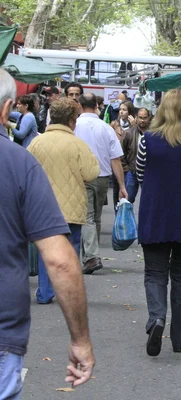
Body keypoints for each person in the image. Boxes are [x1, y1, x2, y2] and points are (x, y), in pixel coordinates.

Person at [0, 69, 95, 397]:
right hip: (2, 329)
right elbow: (61, 262)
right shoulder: (17, 163)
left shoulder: (35, 146)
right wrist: (80, 339)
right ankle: (45, 292)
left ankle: (43, 291)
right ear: (6, 108)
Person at [135, 88, 181, 357]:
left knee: (154, 273)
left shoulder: (148, 140)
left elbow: (140, 173)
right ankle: (180, 338)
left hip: (156, 214)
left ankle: (156, 318)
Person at [27, 98, 100, 304]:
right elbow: (92, 172)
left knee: (45, 251)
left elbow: (26, 172)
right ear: (71, 121)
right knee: (70, 250)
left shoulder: (36, 143)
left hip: (43, 207)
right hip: (72, 207)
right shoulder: (77, 144)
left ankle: (45, 291)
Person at [75, 93, 128, 274]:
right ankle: (91, 254)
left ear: (80, 106)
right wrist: (121, 185)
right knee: (95, 217)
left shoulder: (74, 125)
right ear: (96, 106)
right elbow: (116, 159)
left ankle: (91, 256)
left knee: (87, 217)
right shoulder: (106, 128)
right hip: (103, 177)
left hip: (82, 176)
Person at [121, 107, 151, 204]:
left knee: (148, 200)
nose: (142, 120)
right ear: (136, 118)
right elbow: (121, 153)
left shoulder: (154, 134)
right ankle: (125, 219)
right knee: (128, 199)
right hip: (132, 171)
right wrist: (126, 168)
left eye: (145, 118)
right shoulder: (129, 133)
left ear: (149, 118)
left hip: (148, 172)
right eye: (140, 117)